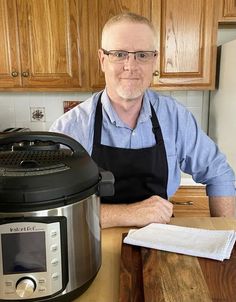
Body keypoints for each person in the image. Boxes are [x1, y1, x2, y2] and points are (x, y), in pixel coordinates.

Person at [50, 12, 236, 228]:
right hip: (91, 250)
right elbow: (55, 207)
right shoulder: (69, 128)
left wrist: (225, 237)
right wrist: (128, 214)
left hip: (160, 246)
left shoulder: (174, 117)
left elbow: (219, 173)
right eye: (119, 54)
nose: (131, 66)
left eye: (142, 55)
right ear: (102, 59)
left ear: (154, 60)